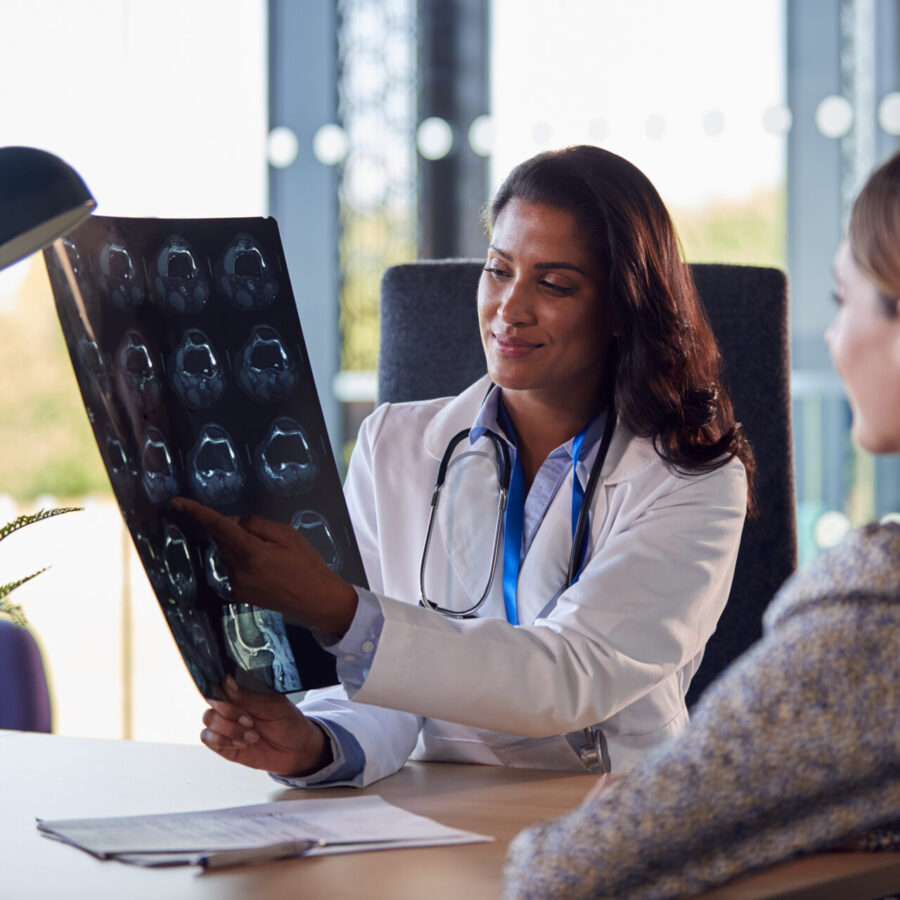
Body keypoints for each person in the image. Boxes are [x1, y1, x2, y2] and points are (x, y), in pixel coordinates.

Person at [174, 144, 753, 789]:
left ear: (622, 308)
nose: (511, 308)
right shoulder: (392, 444)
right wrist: (314, 743)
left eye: (554, 284)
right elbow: (383, 692)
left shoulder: (692, 480)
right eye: (500, 270)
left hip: (609, 810)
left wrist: (339, 610)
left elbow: (569, 676)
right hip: (434, 813)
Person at [502, 152, 900, 899]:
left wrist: (649, 809)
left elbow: (560, 874)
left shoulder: (879, 608)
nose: (837, 339)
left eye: (845, 300)